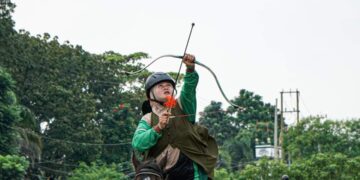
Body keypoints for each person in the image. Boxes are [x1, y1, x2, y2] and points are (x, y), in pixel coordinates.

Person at [132, 54, 218, 180]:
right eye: (160, 86)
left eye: (169, 85)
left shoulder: (183, 105)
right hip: (162, 174)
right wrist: (158, 128)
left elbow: (189, 89)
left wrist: (190, 70)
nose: (166, 87)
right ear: (150, 94)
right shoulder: (148, 119)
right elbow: (138, 144)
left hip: (191, 172)